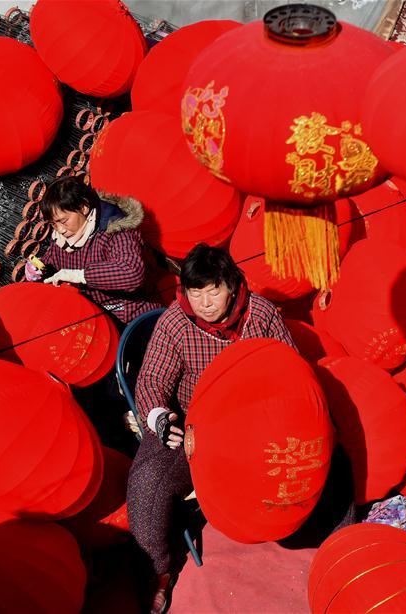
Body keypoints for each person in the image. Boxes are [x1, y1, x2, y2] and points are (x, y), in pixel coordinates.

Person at [126, 243, 297, 614]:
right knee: (147, 481)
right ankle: (160, 571)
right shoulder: (175, 322)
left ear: (232, 284)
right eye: (195, 292)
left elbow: (290, 368)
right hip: (194, 429)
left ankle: (328, 529)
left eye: (213, 290)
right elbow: (152, 379)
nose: (205, 302)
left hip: (256, 424)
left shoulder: (261, 315)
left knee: (320, 451)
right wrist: (158, 417)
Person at [25, 175, 160, 325]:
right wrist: (38, 269)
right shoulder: (62, 238)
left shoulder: (116, 231)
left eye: (63, 221)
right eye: (53, 224)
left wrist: (80, 275)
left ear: (83, 207)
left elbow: (132, 272)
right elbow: (53, 265)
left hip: (131, 316)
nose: (60, 229)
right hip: (92, 316)